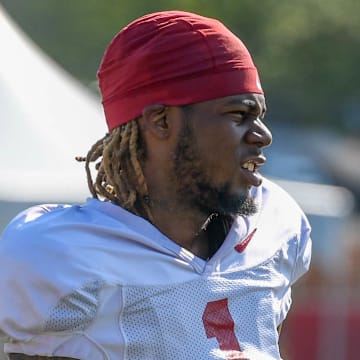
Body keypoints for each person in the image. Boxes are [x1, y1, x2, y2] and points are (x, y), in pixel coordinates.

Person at [0, 10, 311, 360]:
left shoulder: (276, 224)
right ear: (161, 121)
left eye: (260, 116)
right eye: (238, 115)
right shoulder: (57, 254)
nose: (262, 136)